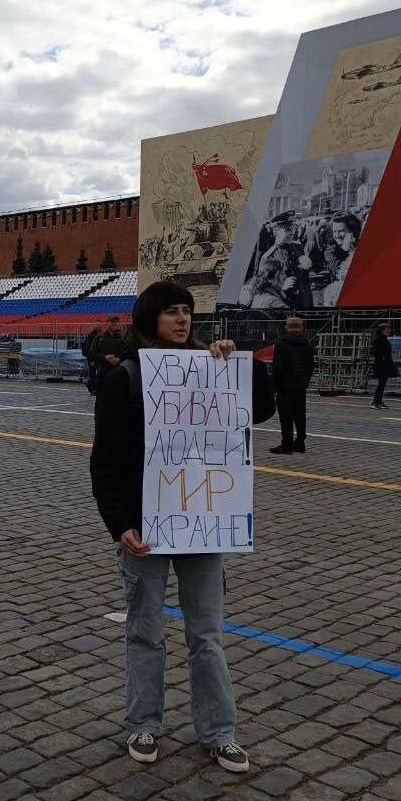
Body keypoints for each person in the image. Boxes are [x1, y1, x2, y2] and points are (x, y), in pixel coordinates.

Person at [90, 280, 274, 775]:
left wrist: (243, 368)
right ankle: (143, 724)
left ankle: (219, 734)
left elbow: (260, 411)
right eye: (171, 311)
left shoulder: (213, 366)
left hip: (202, 524)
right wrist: (120, 525)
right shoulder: (126, 378)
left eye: (187, 311)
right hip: (145, 529)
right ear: (150, 319)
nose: (182, 319)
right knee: (145, 632)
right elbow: (104, 461)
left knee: (207, 636)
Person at [269, 317, 315, 454]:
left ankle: (287, 444)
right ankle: (300, 442)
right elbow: (310, 366)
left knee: (286, 416)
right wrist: (305, 380)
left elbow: (278, 367)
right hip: (301, 385)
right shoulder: (307, 344)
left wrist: (273, 387)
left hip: (285, 385)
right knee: (300, 414)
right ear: (301, 327)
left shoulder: (281, 344)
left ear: (287, 327)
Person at [88, 315, 129, 381]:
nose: (114, 324)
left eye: (116, 322)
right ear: (107, 323)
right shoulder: (100, 338)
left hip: (119, 372)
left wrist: (119, 359)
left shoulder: (122, 337)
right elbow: (91, 354)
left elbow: (127, 353)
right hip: (103, 373)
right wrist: (105, 357)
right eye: (112, 322)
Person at [371, 322, 399, 409]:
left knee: (382, 384)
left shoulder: (385, 339)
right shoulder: (378, 340)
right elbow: (375, 352)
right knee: (381, 384)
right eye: (386, 329)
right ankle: (375, 402)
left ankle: (379, 401)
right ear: (381, 330)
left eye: (389, 329)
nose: (388, 331)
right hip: (381, 365)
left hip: (386, 364)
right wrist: (382, 358)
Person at [81, 324, 101, 395]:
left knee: (96, 374)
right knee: (93, 374)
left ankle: (93, 387)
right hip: (93, 358)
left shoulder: (100, 335)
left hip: (97, 358)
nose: (99, 327)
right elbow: (89, 349)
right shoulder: (91, 336)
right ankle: (93, 388)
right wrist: (91, 359)